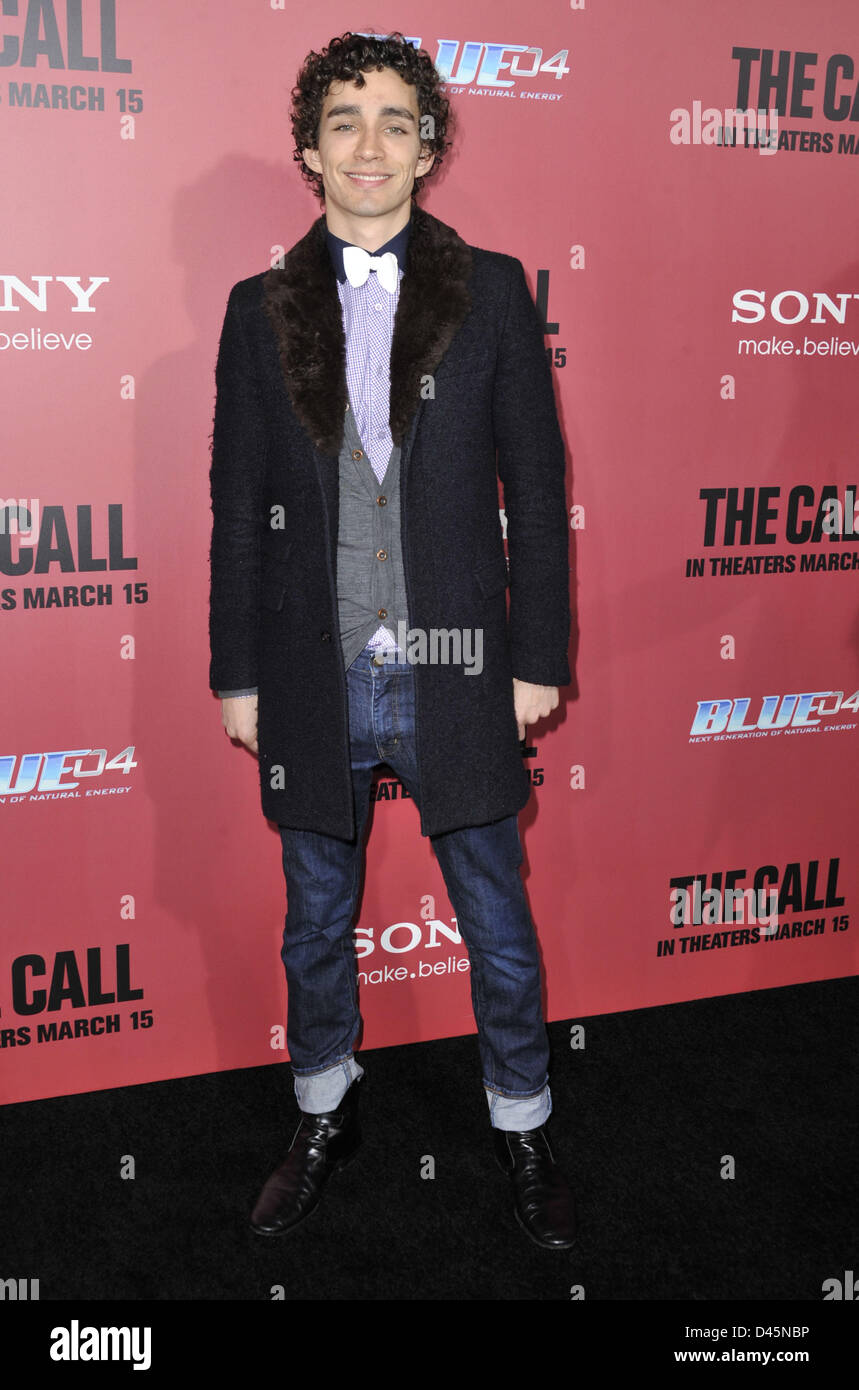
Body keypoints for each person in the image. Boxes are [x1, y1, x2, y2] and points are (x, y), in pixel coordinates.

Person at [209, 31, 575, 1249]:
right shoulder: (255, 311)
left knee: (497, 921)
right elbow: (236, 503)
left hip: (460, 672)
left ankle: (523, 1129)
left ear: (430, 143)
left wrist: (535, 657)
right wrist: (237, 673)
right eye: (345, 120)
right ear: (309, 150)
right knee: (315, 921)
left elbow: (536, 475)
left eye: (395, 119)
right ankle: (323, 1114)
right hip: (315, 677)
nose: (370, 143)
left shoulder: (496, 288)